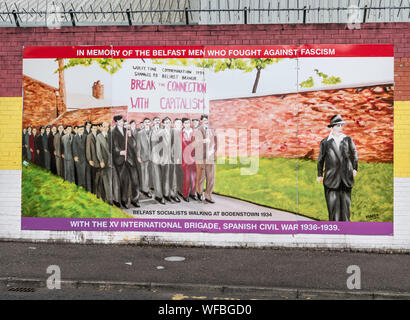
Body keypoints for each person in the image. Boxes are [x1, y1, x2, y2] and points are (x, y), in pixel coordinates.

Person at [317, 114, 358, 222]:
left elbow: (354, 154)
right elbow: (320, 160)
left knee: (345, 208)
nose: (340, 127)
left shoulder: (348, 139)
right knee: (333, 208)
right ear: (332, 127)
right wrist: (320, 174)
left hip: (346, 178)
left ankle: (346, 230)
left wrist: (355, 168)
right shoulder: (325, 142)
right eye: (337, 125)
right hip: (331, 178)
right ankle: (334, 230)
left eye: (341, 125)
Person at [193, 115, 217, 203]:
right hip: (201, 157)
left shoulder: (212, 130)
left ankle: (208, 195)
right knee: (201, 176)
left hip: (210, 157)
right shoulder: (198, 130)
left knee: (211, 177)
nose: (206, 121)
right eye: (204, 120)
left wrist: (213, 152)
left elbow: (216, 142)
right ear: (201, 121)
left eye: (207, 120)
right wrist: (203, 141)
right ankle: (199, 192)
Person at [96, 122, 113, 205]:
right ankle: (108, 199)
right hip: (104, 161)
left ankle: (110, 198)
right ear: (102, 127)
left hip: (111, 161)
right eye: (104, 127)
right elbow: (98, 150)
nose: (106, 128)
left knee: (110, 180)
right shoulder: (99, 137)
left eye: (107, 127)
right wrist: (101, 161)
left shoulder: (110, 136)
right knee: (105, 180)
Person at [181, 118, 197, 202]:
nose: (187, 124)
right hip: (185, 158)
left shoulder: (194, 132)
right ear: (183, 124)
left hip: (194, 157)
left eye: (188, 123)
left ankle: (192, 193)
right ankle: (185, 194)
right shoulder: (181, 133)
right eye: (185, 123)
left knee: (194, 177)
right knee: (186, 178)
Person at [137, 117, 152, 199]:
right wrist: (138, 156)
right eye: (145, 122)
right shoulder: (140, 133)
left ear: (150, 123)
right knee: (145, 173)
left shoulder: (153, 131)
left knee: (150, 174)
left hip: (153, 156)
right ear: (143, 123)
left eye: (148, 122)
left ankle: (149, 188)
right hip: (143, 156)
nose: (147, 123)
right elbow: (138, 146)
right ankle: (145, 190)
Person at [86, 123, 101, 196]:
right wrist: (89, 159)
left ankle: (98, 192)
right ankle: (94, 192)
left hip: (98, 159)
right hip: (93, 160)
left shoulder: (98, 135)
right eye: (93, 128)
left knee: (98, 176)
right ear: (91, 129)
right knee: (93, 177)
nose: (95, 129)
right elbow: (88, 149)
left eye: (96, 128)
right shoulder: (89, 136)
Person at [172, 119, 184, 198]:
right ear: (174, 124)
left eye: (180, 123)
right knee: (175, 175)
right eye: (177, 123)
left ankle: (181, 190)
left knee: (182, 174)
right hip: (176, 157)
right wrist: (175, 156)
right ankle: (174, 192)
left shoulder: (184, 132)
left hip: (184, 157)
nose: (179, 124)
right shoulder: (173, 132)